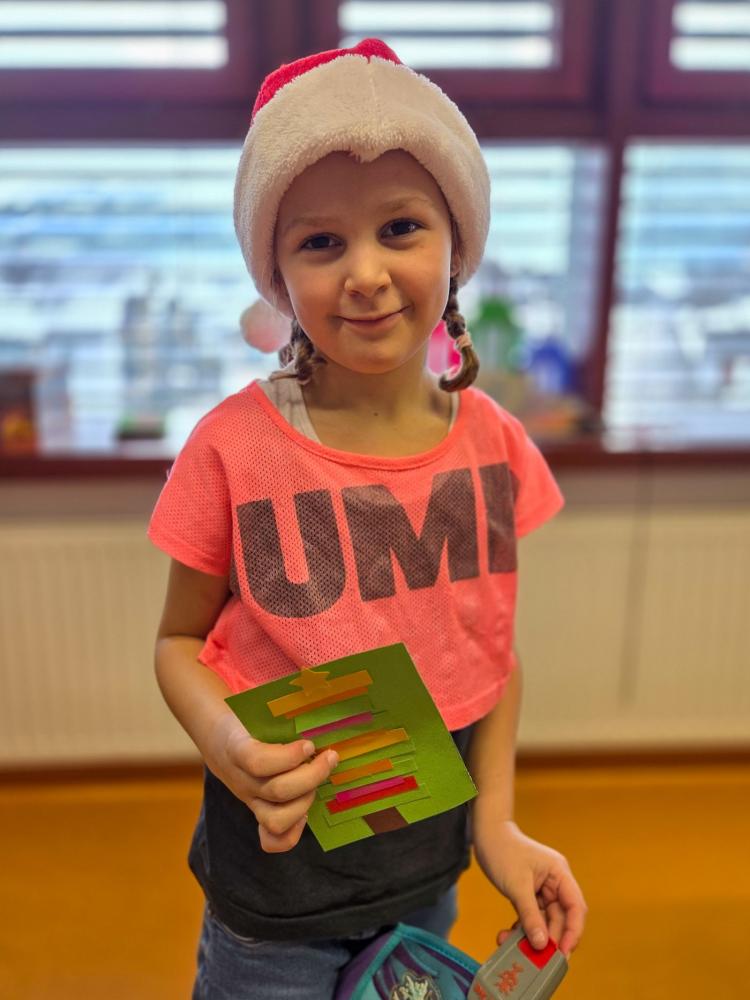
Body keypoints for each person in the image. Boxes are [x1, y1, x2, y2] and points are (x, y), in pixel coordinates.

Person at [148, 37, 587, 1000]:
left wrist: (497, 826)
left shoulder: (493, 444)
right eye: (320, 242)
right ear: (276, 272)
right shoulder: (233, 450)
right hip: (274, 903)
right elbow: (179, 644)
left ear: (456, 246)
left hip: (426, 886)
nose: (366, 273)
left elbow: (489, 655)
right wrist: (230, 750)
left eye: (400, 228)